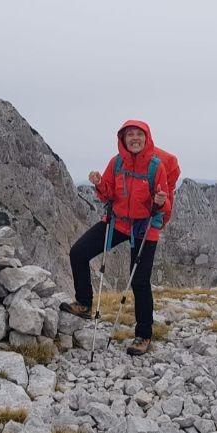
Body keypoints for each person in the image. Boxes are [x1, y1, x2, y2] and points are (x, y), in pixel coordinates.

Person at [60, 120, 173, 356]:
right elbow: (109, 194)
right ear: (123, 139)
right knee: (78, 252)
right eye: (130, 134)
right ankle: (84, 303)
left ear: (146, 138)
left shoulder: (156, 167)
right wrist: (100, 183)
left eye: (139, 134)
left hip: (144, 228)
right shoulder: (117, 162)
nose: (134, 138)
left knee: (139, 281)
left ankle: (143, 334)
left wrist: (161, 202)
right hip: (117, 222)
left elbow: (163, 206)